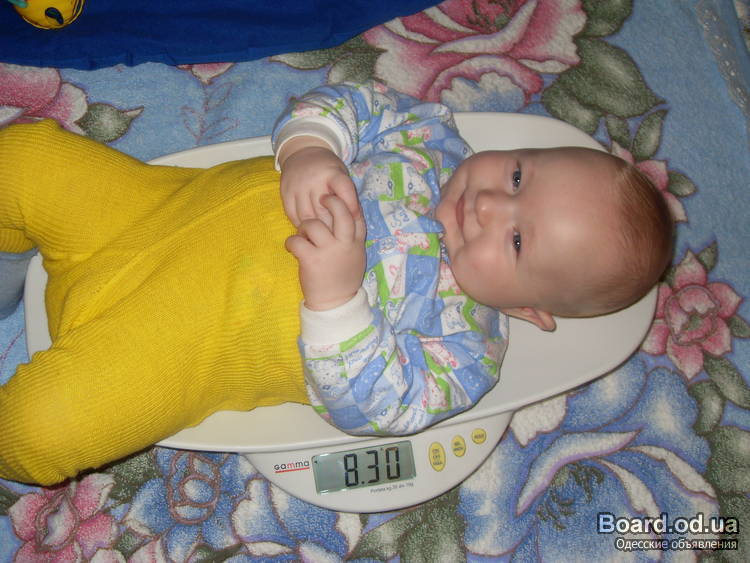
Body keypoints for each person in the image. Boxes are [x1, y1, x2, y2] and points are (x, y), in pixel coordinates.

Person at [0, 81, 673, 486]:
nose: (491, 204)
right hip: (148, 208)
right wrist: (312, 147)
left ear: (527, 308)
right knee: (24, 156)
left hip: (170, 345)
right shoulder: (432, 139)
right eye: (519, 175)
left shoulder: (466, 351)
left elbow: (381, 407)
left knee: (41, 430)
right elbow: (352, 104)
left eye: (518, 241)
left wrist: (338, 301)